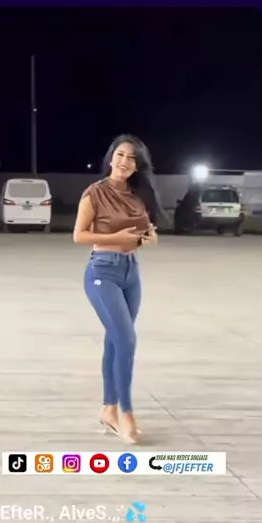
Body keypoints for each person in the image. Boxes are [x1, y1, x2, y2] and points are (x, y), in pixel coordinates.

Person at [73, 134, 165, 443]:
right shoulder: (95, 193)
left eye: (132, 158)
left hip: (131, 272)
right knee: (126, 340)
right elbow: (79, 235)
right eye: (121, 155)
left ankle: (108, 410)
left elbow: (148, 230)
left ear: (138, 166)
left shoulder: (138, 195)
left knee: (115, 341)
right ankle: (127, 413)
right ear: (111, 158)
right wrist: (118, 239)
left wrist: (149, 238)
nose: (125, 162)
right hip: (102, 271)